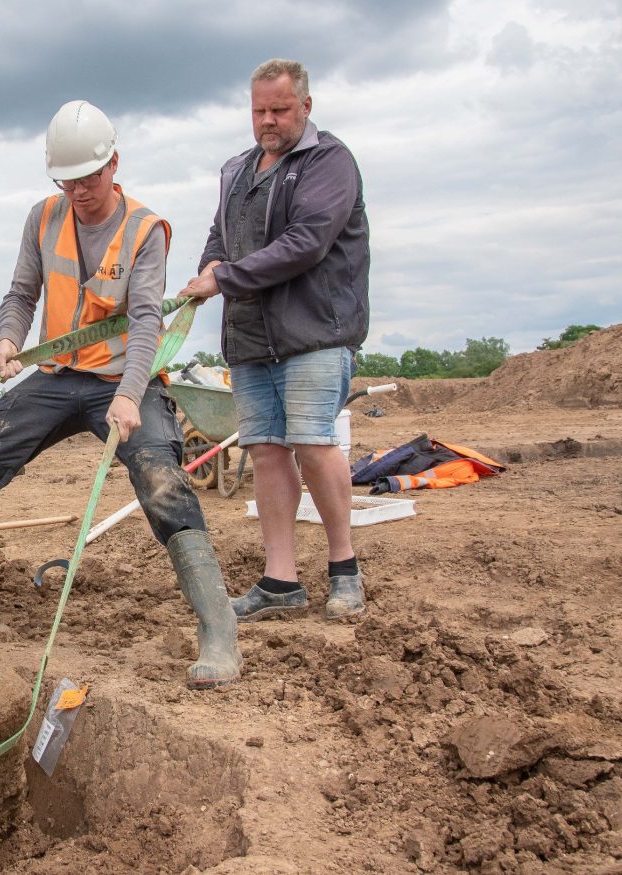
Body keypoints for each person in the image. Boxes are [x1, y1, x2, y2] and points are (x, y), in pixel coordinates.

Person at [0, 100, 241, 690]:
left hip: (122, 382)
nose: (81, 191)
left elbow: (146, 322)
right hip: (57, 376)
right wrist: (9, 340)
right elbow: (20, 294)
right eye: (69, 180)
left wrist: (129, 394)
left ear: (114, 163)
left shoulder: (145, 230)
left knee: (163, 482)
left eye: (90, 177)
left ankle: (218, 634)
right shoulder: (43, 217)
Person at [180, 58, 371, 622]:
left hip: (314, 330)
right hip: (250, 336)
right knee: (265, 451)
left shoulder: (328, 162)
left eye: (280, 110)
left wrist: (226, 278)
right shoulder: (236, 170)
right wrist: (206, 273)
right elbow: (221, 236)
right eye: (260, 110)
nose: (268, 121)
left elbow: (306, 242)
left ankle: (345, 570)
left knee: (313, 443)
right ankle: (281, 581)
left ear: (305, 107)